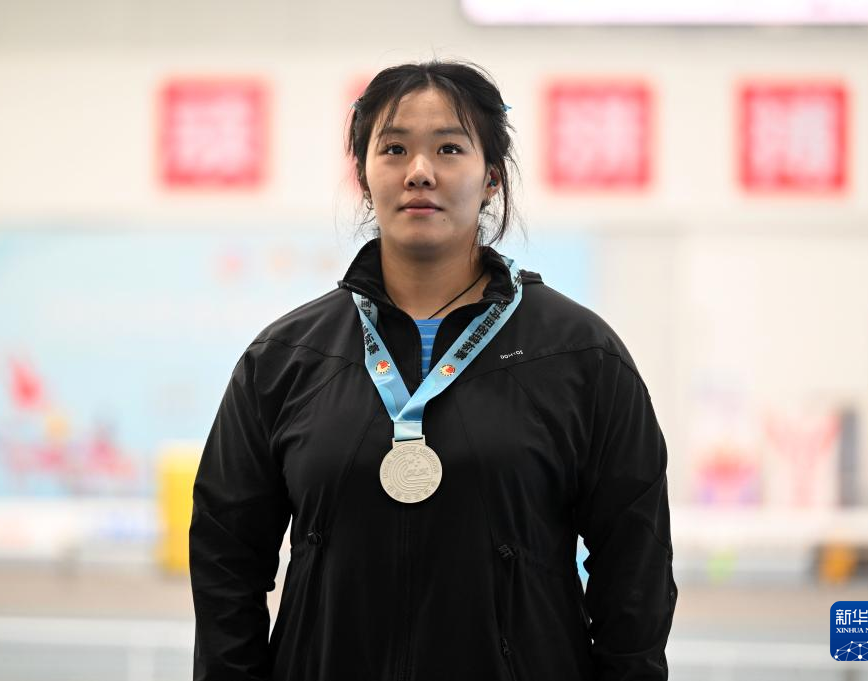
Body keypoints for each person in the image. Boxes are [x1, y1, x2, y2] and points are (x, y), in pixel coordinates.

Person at [190, 60, 677, 681]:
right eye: (394, 149)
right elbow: (225, 556)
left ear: (492, 176)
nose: (419, 171)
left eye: (449, 148)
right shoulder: (286, 358)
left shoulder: (580, 356)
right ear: (364, 176)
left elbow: (634, 570)